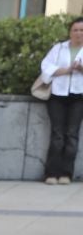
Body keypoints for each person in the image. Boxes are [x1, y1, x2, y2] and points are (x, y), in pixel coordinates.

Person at [37, 16, 83, 185]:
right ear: (70, 32)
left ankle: (66, 173)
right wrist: (66, 70)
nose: (78, 33)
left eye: (82, 30)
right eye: (75, 30)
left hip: (79, 96)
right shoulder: (59, 48)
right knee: (57, 134)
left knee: (72, 135)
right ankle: (51, 173)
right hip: (57, 95)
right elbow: (46, 67)